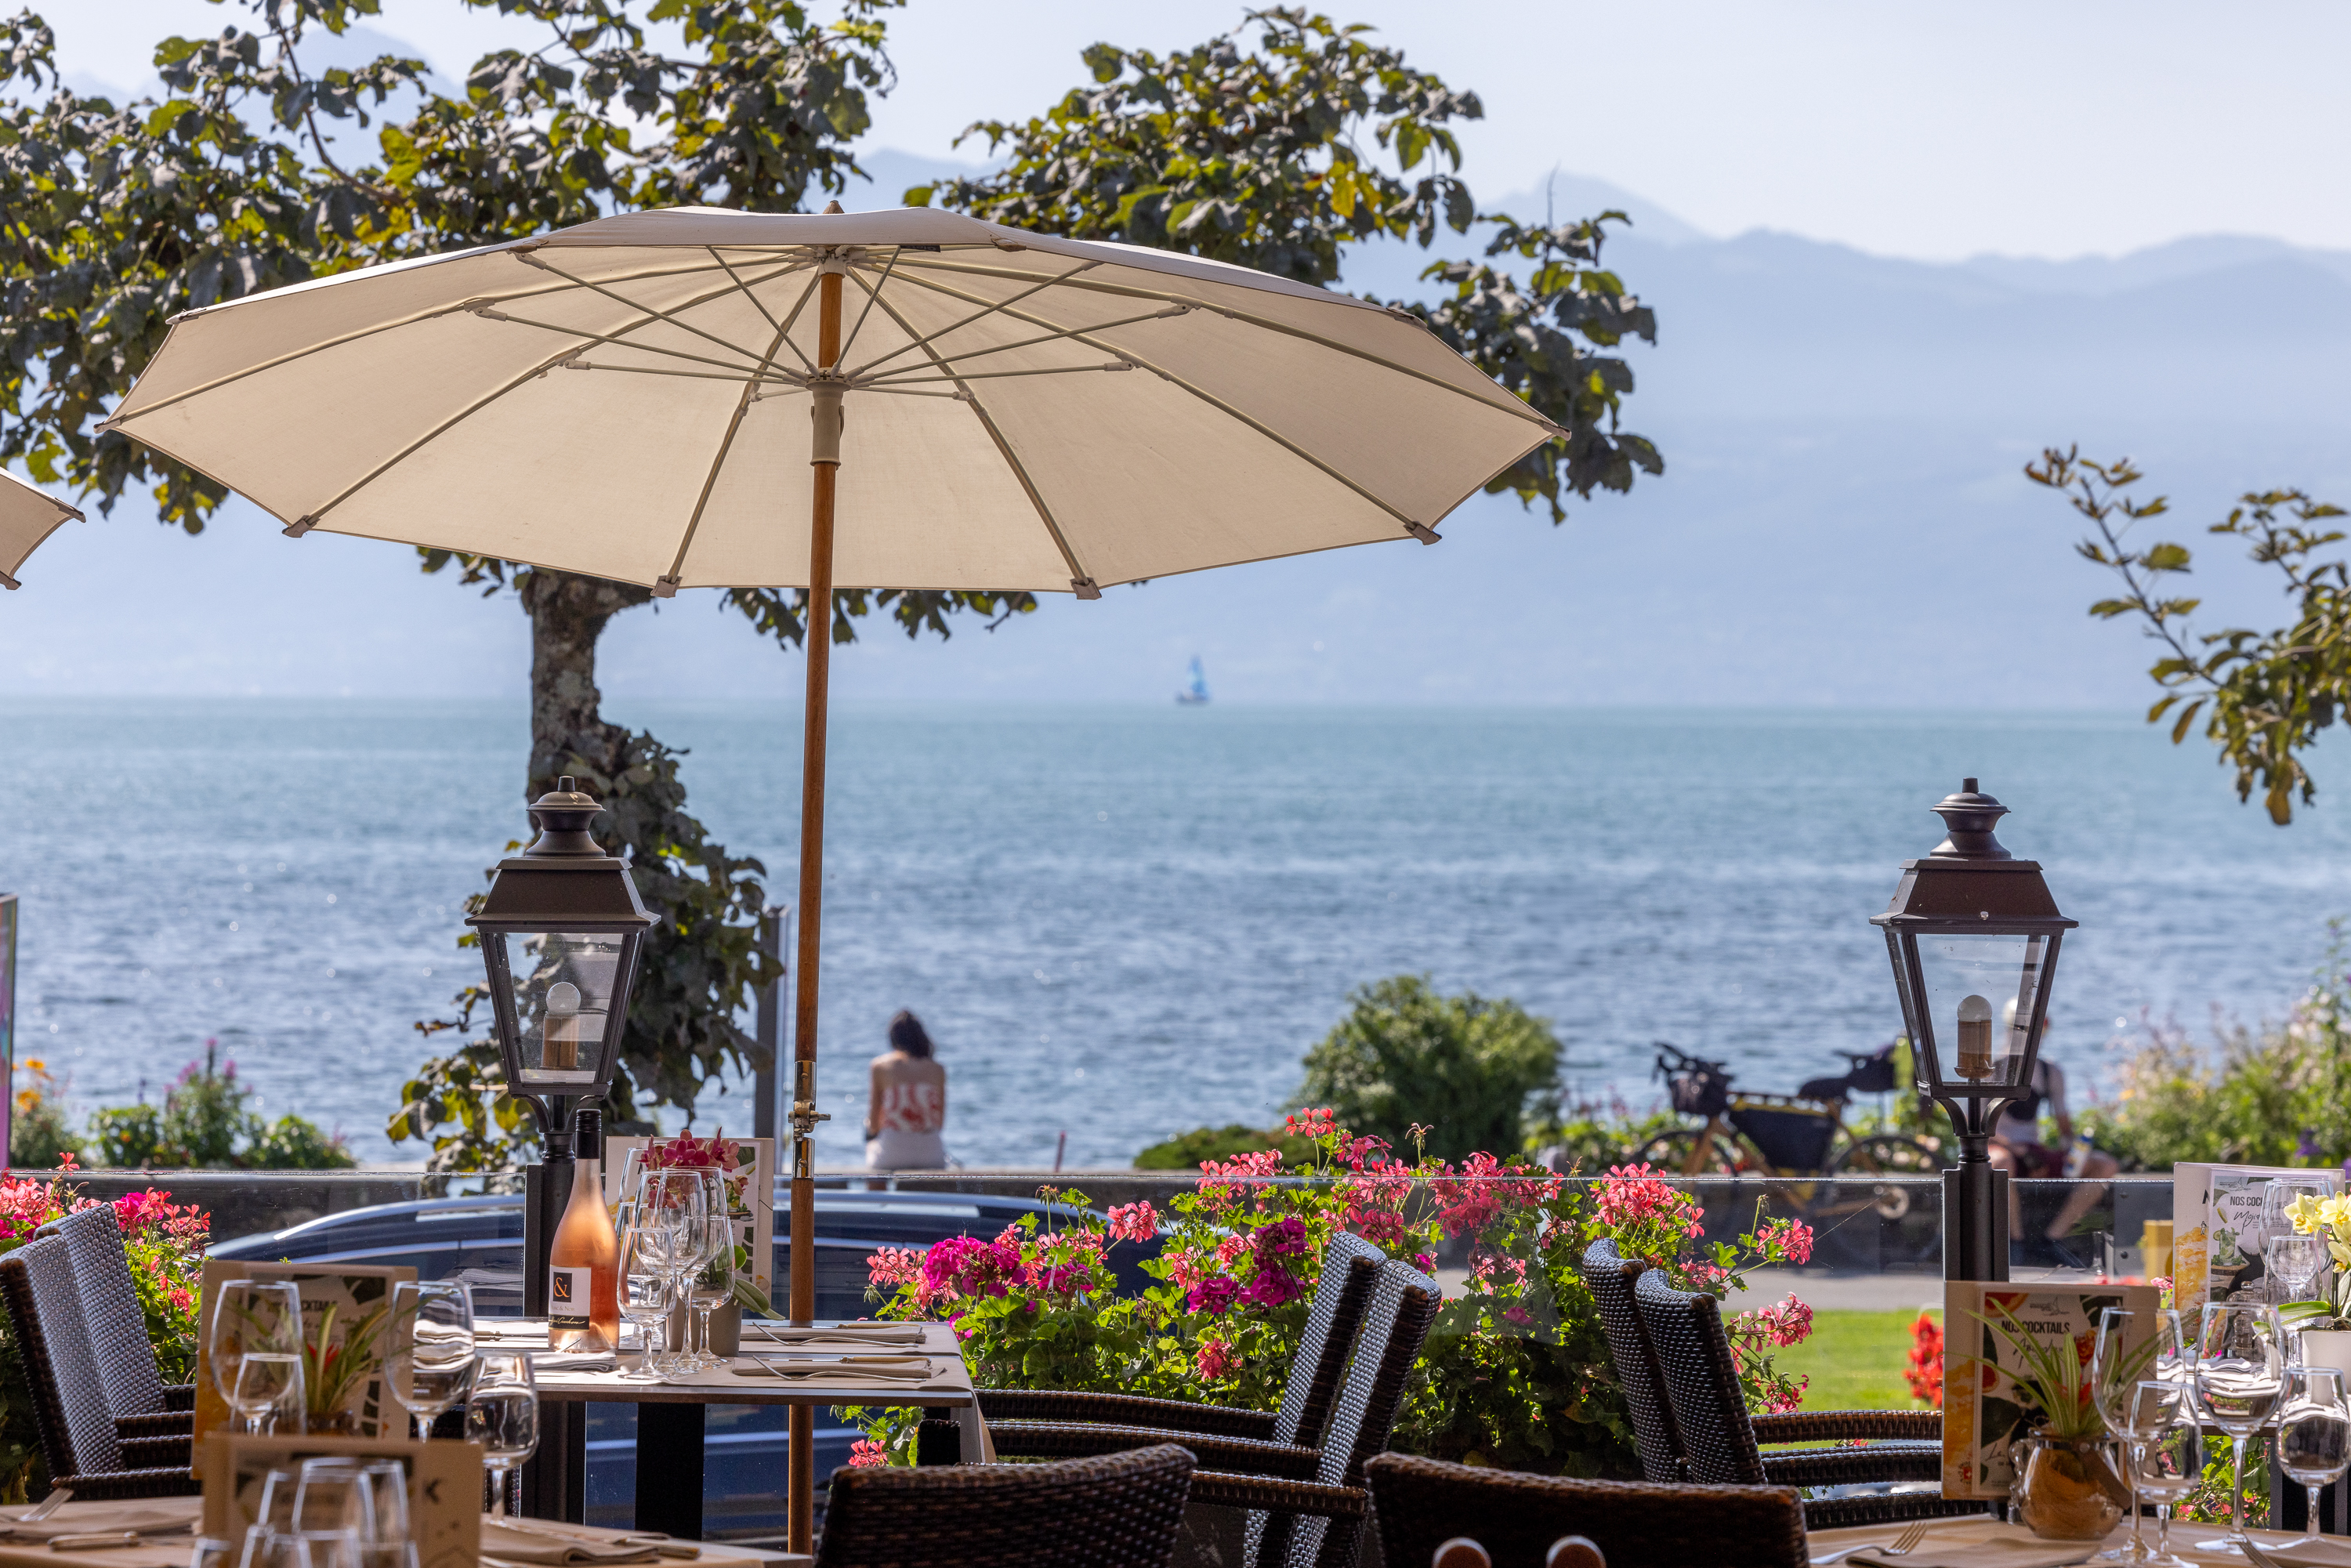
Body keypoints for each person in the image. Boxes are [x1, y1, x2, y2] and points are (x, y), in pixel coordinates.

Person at [1986, 1005, 2119, 1263]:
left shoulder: (2050, 1072)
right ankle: (2016, 1243)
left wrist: (2075, 1151)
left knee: (2105, 1165)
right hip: (2000, 1151)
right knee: (2002, 1162)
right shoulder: (1991, 1070)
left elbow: (2064, 1129)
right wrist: (2015, 1149)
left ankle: (2052, 1238)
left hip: (2033, 1154)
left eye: (2036, 1032)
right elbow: (1976, 1129)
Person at [864, 1009, 948, 1182]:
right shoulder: (937, 1069)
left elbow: (874, 1125)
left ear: (893, 1038)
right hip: (931, 1154)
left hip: (892, 1153)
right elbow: (939, 1123)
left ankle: (876, 1198)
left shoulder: (879, 1066)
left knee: (872, 1148)